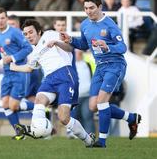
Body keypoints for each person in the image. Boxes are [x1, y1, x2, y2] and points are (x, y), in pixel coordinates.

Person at [60, 0, 141, 148]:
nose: (89, 11)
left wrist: (107, 46)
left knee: (102, 101)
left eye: (91, 8)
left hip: (115, 65)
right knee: (93, 106)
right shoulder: (84, 25)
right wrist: (70, 40)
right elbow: (83, 45)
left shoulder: (110, 25)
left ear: (100, 7)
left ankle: (102, 141)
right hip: (100, 67)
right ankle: (131, 118)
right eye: (86, 8)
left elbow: (123, 47)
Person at [10, 19, 95, 147]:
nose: (28, 36)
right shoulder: (33, 54)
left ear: (39, 31)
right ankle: (36, 130)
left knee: (63, 118)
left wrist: (56, 42)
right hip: (49, 79)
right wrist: (14, 67)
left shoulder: (50, 34)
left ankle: (89, 140)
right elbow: (29, 68)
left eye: (31, 32)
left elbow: (69, 47)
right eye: (26, 34)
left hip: (65, 74)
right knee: (39, 99)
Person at [0, 7, 33, 139]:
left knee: (13, 105)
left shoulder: (15, 32)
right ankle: (20, 132)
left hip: (19, 72)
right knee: (5, 104)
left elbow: (28, 48)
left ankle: (39, 107)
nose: (0, 21)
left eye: (2, 18)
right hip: (7, 73)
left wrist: (12, 58)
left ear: (6, 19)